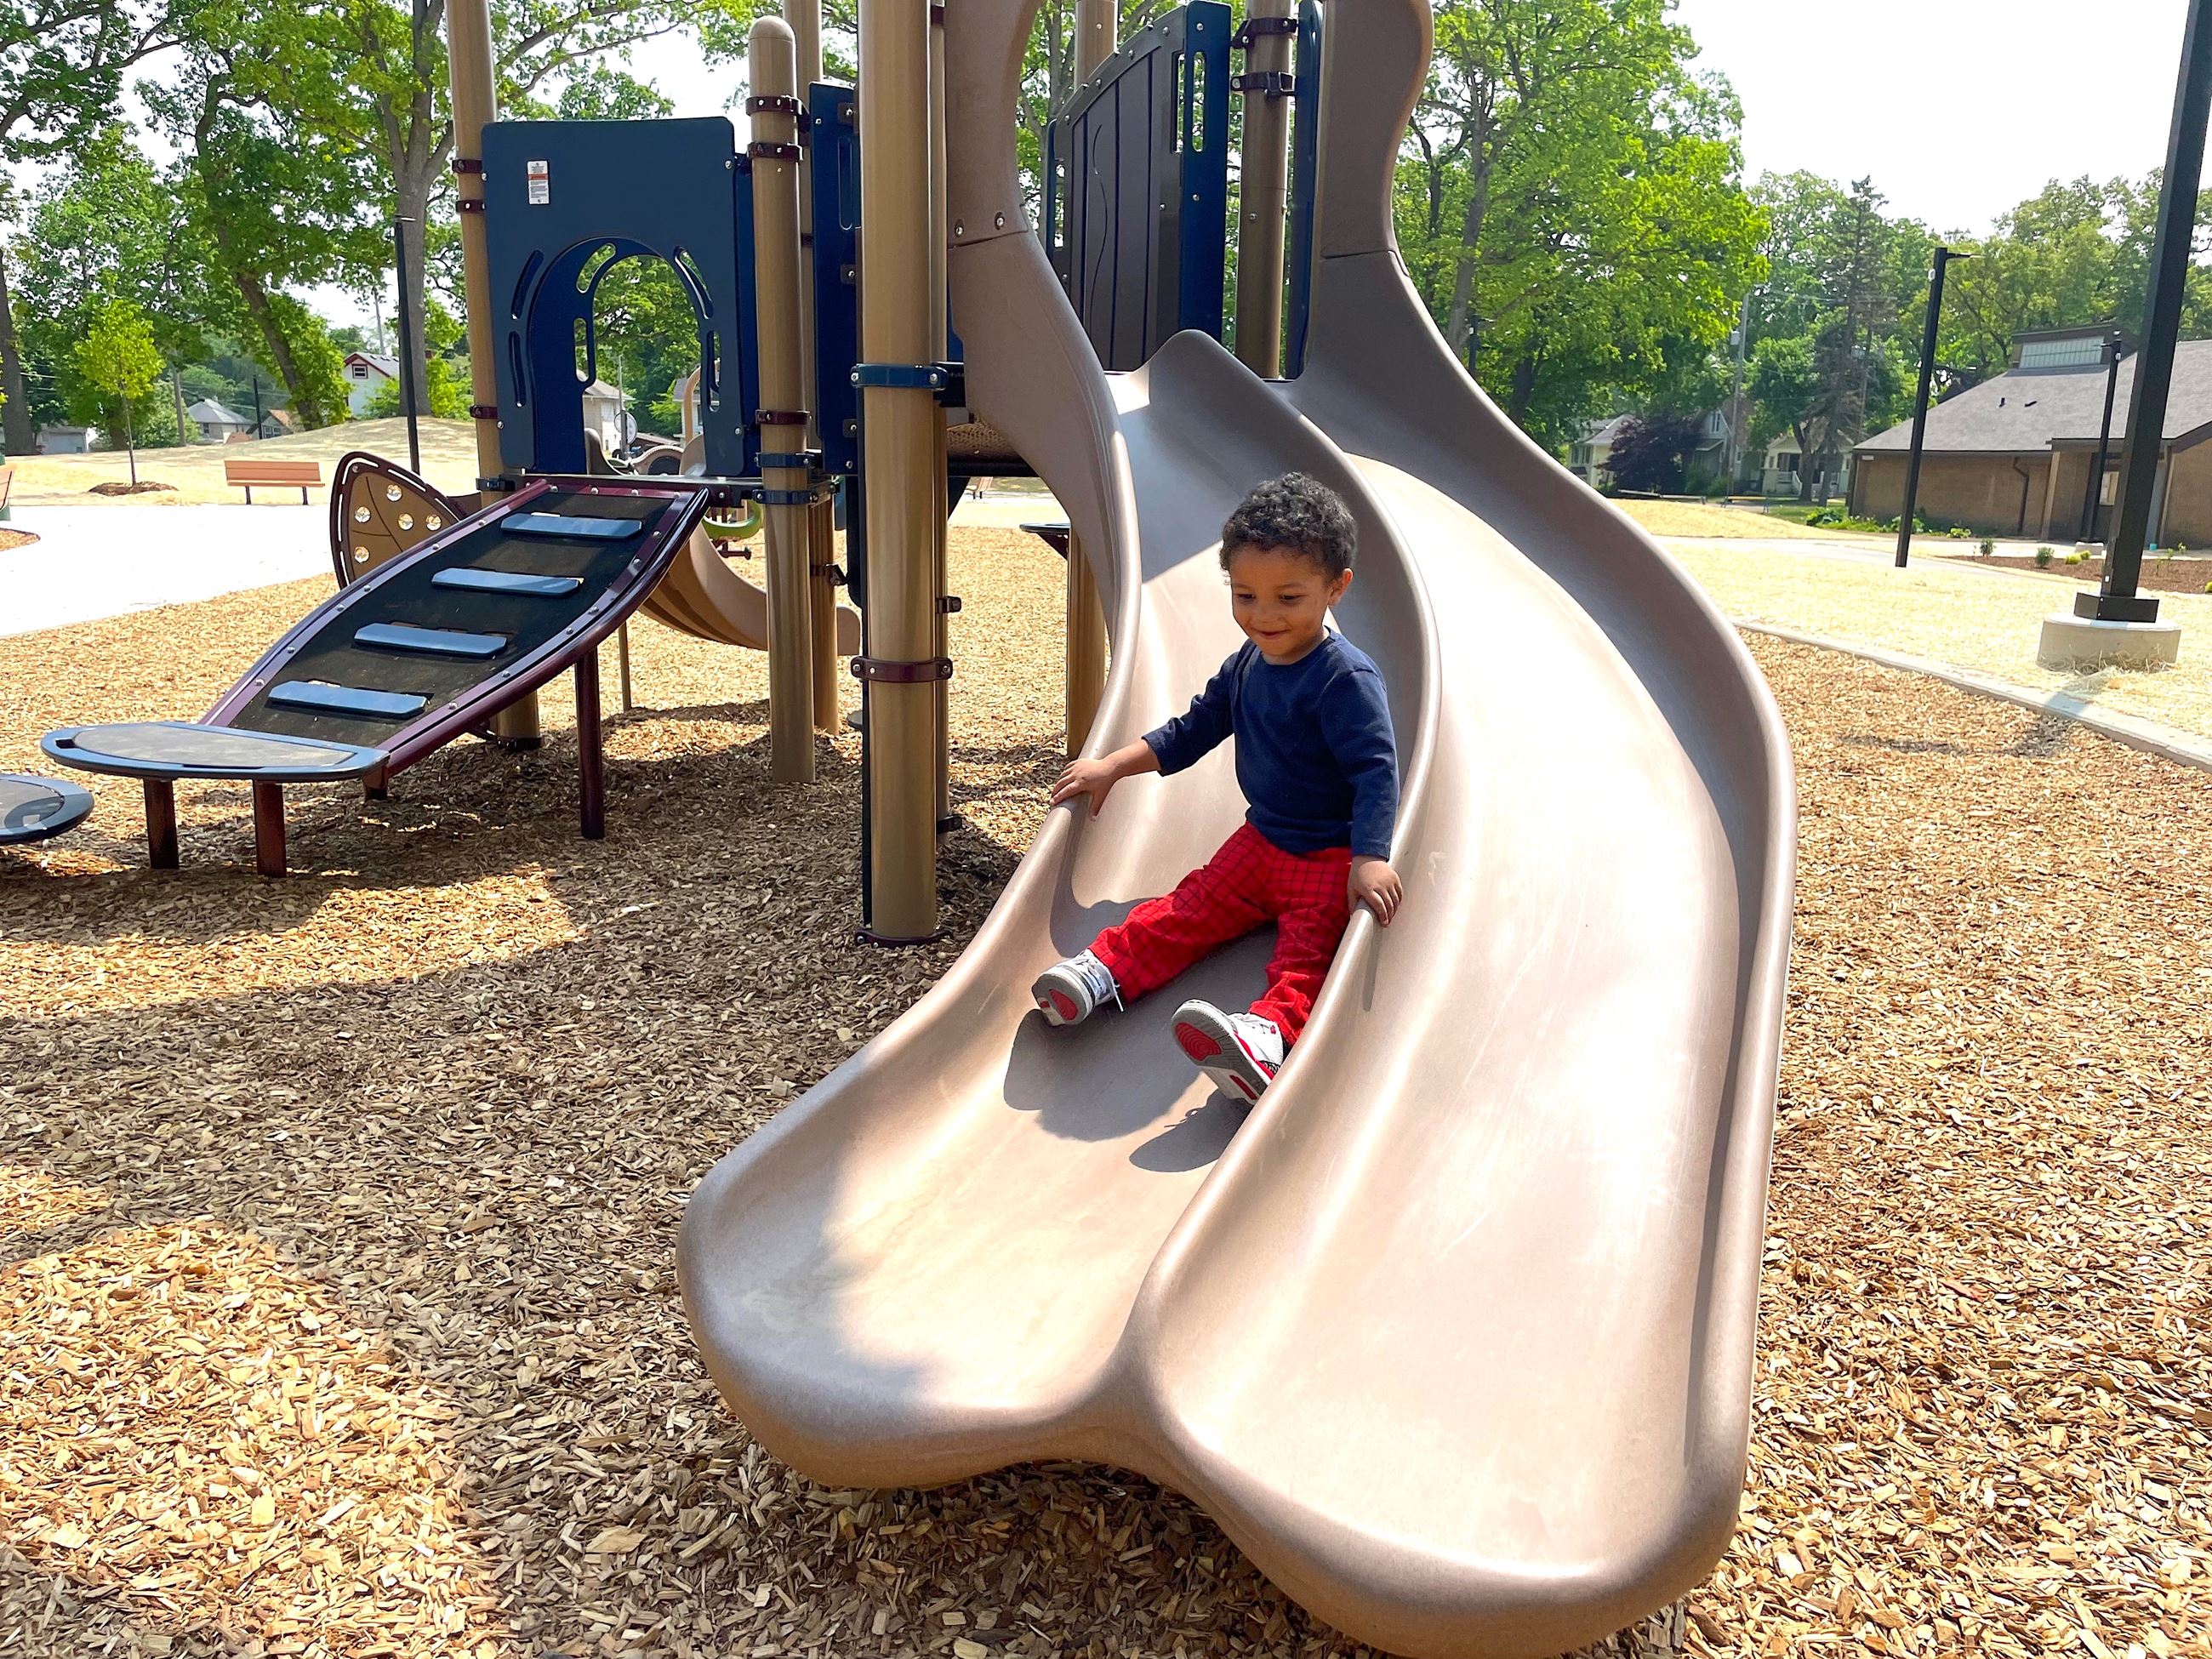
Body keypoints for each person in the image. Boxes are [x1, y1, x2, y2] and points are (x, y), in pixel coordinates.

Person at [1030, 471, 1402, 1102]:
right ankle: (1103, 973)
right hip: (1260, 844)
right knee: (1189, 907)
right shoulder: (1249, 663)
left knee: (1307, 954)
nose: (1263, 616)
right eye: (1245, 596)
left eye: (1289, 598)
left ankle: (1263, 1040)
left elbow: (1376, 770)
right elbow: (1195, 727)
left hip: (1328, 855)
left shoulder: (1345, 679)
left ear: (1336, 589)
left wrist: (1369, 859)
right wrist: (1114, 766)